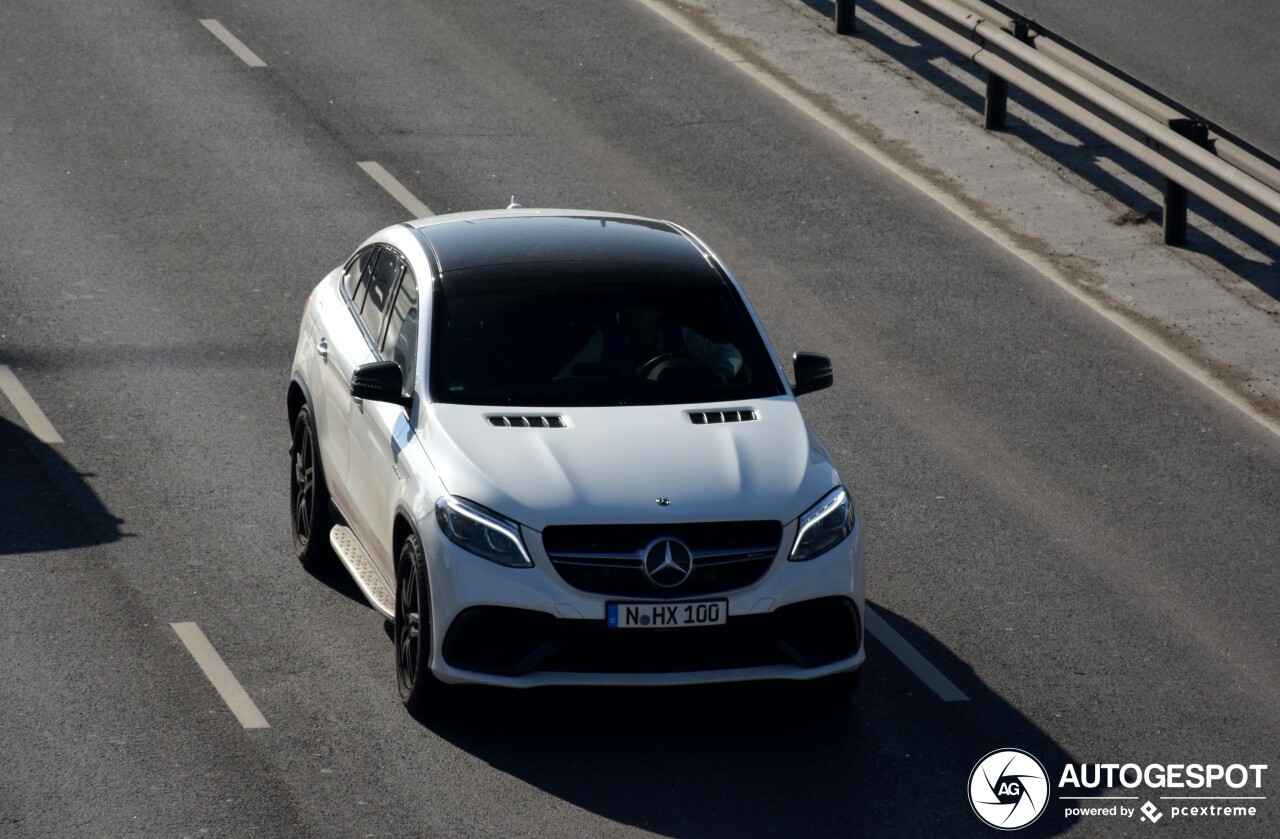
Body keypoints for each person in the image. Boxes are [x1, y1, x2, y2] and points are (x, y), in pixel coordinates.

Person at [562, 304, 743, 382]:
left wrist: (721, 375)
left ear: (657, 311)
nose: (631, 311)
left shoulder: (680, 337)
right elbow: (567, 376)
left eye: (640, 305)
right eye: (627, 305)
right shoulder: (604, 341)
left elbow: (730, 353)